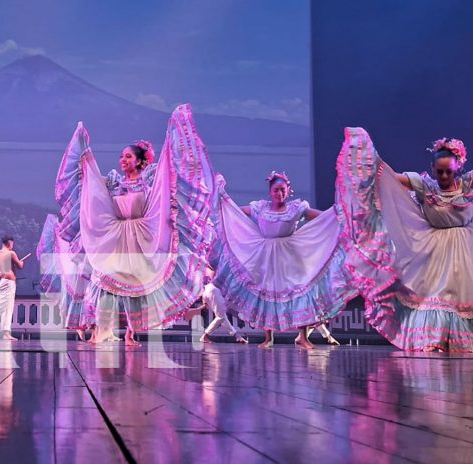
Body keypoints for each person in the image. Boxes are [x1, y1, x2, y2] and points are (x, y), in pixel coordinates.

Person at [336, 110, 473, 352]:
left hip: (468, 247)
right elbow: (387, 179)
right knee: (432, 296)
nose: (444, 176)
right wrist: (370, 162)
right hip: (432, 248)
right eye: (440, 171)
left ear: (458, 166)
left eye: (449, 171)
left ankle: (469, 340)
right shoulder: (424, 184)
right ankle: (435, 339)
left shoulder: (471, 181)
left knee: (465, 298)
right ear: (433, 168)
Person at [38, 104, 215, 346]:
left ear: (141, 161)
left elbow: (167, 182)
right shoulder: (115, 182)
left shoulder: (149, 180)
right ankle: (100, 330)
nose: (123, 160)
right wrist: (85, 159)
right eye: (121, 156)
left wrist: (173, 138)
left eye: (128, 156)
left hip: (143, 237)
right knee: (104, 280)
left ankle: (130, 333)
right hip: (117, 238)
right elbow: (93, 188)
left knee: (137, 286)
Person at [212, 171, 354, 349]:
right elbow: (237, 214)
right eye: (276, 190)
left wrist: (338, 214)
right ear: (270, 191)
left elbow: (323, 217)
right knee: (266, 292)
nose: (279, 193)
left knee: (299, 290)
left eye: (283, 190)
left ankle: (302, 336)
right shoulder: (260, 208)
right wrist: (224, 204)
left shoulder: (296, 208)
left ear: (289, 191)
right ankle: (268, 337)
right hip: (265, 255)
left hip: (291, 254)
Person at [190, 266, 248, 344]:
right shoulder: (229, 271)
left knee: (222, 316)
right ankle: (205, 336)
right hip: (213, 290)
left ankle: (238, 337)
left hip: (207, 290)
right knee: (220, 316)